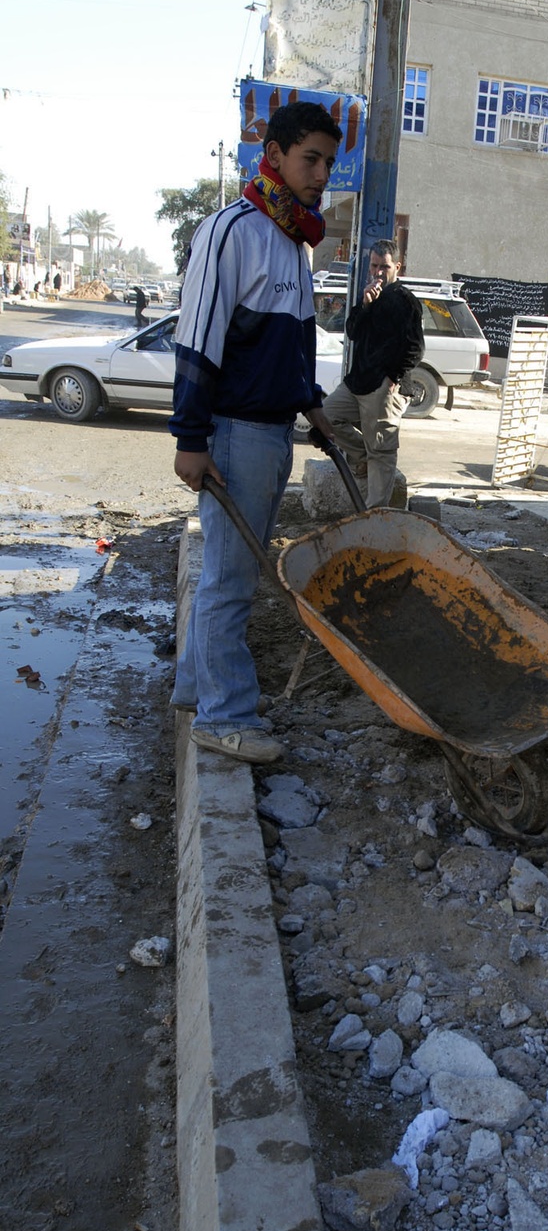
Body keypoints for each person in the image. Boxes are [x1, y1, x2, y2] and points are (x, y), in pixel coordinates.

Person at [170, 100, 343, 764]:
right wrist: (190, 437)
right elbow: (199, 338)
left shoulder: (292, 240)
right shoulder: (233, 230)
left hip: (271, 432)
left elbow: (293, 346)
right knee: (231, 581)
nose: (321, 172)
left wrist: (314, 407)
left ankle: (197, 689)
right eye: (310, 158)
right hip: (235, 432)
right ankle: (224, 717)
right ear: (272, 155)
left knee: (228, 574)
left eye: (328, 161)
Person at [322, 239, 424, 508]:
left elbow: (416, 348)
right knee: (325, 417)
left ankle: (375, 517)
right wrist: (364, 306)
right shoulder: (370, 296)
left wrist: (392, 378)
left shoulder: (404, 301)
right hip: (357, 383)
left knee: (381, 451)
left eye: (385, 267)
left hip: (383, 387)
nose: (379, 272)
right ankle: (361, 458)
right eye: (375, 266)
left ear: (397, 267)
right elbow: (353, 332)